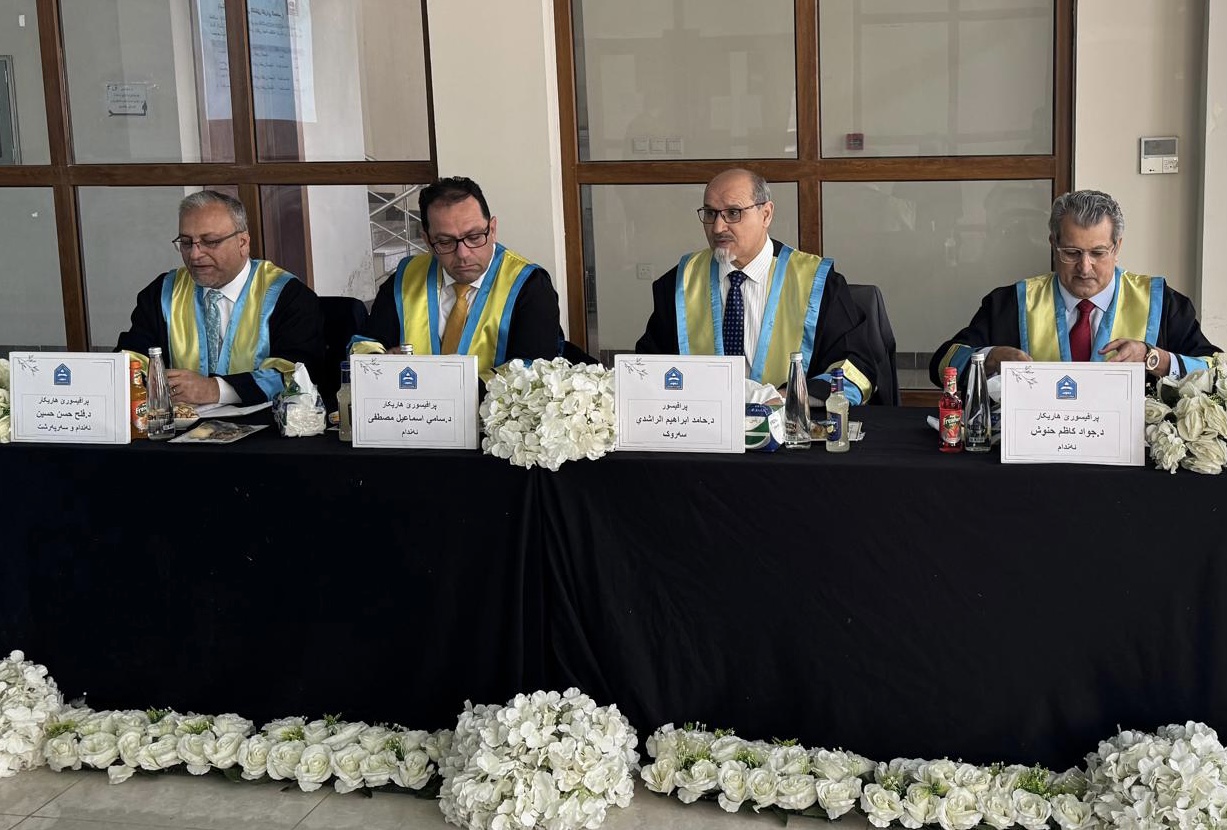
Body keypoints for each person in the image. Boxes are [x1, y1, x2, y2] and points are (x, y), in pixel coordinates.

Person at [635, 168, 879, 403]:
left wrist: (787, 398)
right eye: (710, 213)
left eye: (733, 213)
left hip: (789, 421)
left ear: (766, 214)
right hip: (704, 424)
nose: (718, 227)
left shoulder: (817, 282)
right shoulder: (679, 283)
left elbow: (856, 368)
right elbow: (649, 368)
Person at [930, 189, 1219, 386]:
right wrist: (990, 359)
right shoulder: (1012, 303)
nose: (1084, 267)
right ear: (1053, 243)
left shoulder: (1161, 303)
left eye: (1098, 253)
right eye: (1071, 252)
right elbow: (942, 364)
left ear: (1117, 247)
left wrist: (1155, 359)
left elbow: (1217, 373)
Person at [116, 190, 323, 406]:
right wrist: (147, 382)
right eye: (186, 242)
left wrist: (216, 389)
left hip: (263, 423)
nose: (195, 255)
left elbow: (298, 373)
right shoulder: (163, 292)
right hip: (178, 424)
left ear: (243, 243)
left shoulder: (287, 295)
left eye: (210, 241)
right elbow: (129, 361)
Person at [353, 176, 561, 379]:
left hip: (487, 402)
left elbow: (532, 370)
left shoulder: (529, 286)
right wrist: (378, 363)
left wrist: (453, 390)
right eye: (445, 242)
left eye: (474, 237)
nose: (463, 254)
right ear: (427, 241)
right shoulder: (406, 278)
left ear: (493, 229)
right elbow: (366, 342)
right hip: (411, 400)